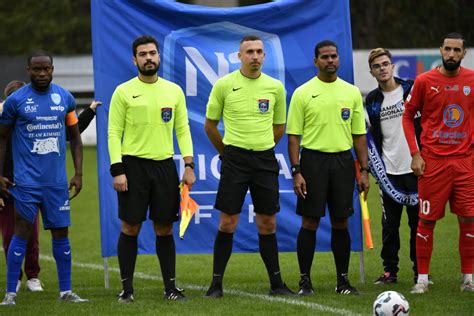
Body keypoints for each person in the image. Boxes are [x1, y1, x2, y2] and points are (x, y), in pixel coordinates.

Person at [203, 35, 293, 298]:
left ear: (265, 56)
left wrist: (263, 146)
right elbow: (209, 125)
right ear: (239, 56)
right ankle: (216, 284)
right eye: (249, 52)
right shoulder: (224, 85)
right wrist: (226, 153)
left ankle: (277, 284)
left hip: (264, 160)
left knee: (267, 223)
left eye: (259, 51)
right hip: (234, 160)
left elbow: (279, 128)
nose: (255, 56)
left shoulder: (275, 87)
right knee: (228, 222)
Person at [108, 35, 195, 303]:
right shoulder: (123, 91)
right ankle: (127, 289)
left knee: (164, 229)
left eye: (152, 53)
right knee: (130, 227)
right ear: (134, 60)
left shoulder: (174, 90)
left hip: (164, 168)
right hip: (133, 167)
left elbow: (183, 129)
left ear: (159, 57)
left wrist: (188, 164)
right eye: (143, 54)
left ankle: (170, 288)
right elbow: (113, 132)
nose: (148, 58)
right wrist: (117, 169)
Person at [0, 50, 87, 305]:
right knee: (22, 231)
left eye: (46, 69)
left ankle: (66, 292)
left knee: (61, 232)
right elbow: (2, 137)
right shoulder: (16, 101)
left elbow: (76, 138)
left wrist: (78, 173)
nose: (42, 73)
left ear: (52, 69)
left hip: (57, 183)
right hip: (25, 182)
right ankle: (10, 294)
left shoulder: (65, 98)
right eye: (36, 69)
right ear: (28, 70)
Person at [287, 40, 369, 296]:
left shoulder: (352, 92)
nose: (330, 60)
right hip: (312, 162)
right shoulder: (303, 92)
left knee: (341, 221)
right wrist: (296, 170)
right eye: (325, 57)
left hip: (343, 162)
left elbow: (359, 136)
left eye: (334, 56)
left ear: (339, 59)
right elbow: (293, 137)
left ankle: (343, 281)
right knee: (310, 221)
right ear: (316, 61)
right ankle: (304, 281)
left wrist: (364, 170)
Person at [403, 32, 474, 294]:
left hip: (465, 164)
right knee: (426, 220)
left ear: (464, 54)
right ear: (440, 50)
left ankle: (468, 277)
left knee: (469, 218)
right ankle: (422, 279)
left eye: (457, 50)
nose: (452, 54)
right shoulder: (424, 81)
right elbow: (408, 116)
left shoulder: (472, 80)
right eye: (448, 49)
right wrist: (415, 152)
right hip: (433, 163)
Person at [365, 48, 421, 284]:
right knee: (389, 226)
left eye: (386, 64)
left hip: (417, 167)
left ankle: (421, 272)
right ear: (372, 72)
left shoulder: (412, 89)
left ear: (393, 65)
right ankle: (390, 271)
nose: (383, 69)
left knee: (418, 223)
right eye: (377, 66)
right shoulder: (372, 100)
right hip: (389, 170)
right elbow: (370, 137)